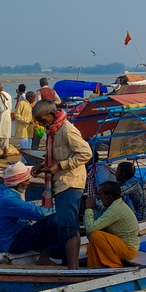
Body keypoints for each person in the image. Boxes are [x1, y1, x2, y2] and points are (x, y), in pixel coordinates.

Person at [31, 99, 91, 269]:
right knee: (69, 225)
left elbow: (86, 153)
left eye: (43, 120)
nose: (41, 124)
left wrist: (60, 166)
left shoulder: (66, 130)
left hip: (70, 182)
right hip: (62, 182)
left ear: (52, 114)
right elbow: (57, 156)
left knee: (67, 227)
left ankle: (72, 269)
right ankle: (73, 267)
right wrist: (42, 166)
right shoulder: (53, 131)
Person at [0, 162, 63, 264]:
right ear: (19, 183)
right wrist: (62, 210)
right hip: (13, 242)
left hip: (16, 236)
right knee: (54, 219)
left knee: (60, 250)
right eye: (27, 180)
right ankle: (44, 258)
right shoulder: (8, 199)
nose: (29, 183)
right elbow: (40, 213)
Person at [84, 182, 139, 269]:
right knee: (92, 243)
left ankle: (115, 266)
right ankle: (94, 267)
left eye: (99, 195)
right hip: (120, 244)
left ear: (108, 197)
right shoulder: (115, 204)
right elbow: (101, 207)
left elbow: (90, 228)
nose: (98, 197)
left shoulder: (115, 209)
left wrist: (88, 209)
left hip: (129, 250)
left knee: (96, 236)